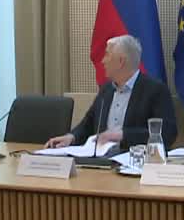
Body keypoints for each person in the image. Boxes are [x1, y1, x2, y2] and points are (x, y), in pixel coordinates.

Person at [46, 35, 176, 151]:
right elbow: (88, 124)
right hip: (101, 159)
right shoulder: (106, 89)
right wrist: (71, 137)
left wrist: (122, 135)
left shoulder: (155, 90)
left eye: (107, 55)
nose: (103, 61)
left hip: (133, 160)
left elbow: (167, 133)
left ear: (121, 61)